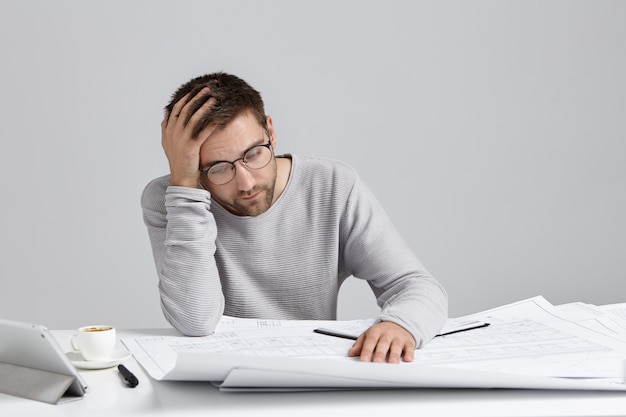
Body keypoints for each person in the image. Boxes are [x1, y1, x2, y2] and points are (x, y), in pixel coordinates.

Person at [141, 72, 448, 363]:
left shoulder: (333, 186)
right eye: (219, 168)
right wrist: (184, 185)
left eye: (254, 154)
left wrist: (401, 325)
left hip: (311, 373)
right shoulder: (172, 199)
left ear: (270, 132)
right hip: (214, 381)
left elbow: (417, 286)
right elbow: (195, 320)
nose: (246, 183)